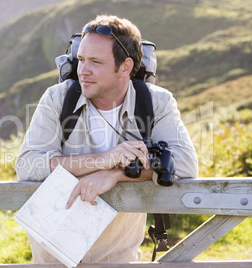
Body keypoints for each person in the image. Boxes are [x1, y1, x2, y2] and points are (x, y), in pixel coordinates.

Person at [15, 14, 198, 263]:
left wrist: (115, 174)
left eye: (95, 62)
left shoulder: (157, 102)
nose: (83, 71)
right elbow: (27, 165)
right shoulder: (57, 98)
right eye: (80, 59)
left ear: (125, 67)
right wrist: (101, 160)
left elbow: (186, 164)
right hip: (54, 256)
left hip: (119, 257)